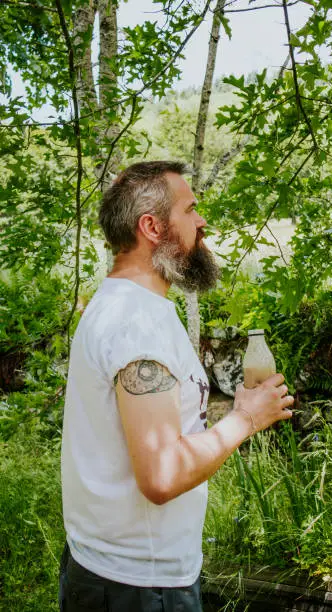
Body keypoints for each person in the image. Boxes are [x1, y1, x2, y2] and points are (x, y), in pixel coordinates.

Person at [59, 160, 294, 612]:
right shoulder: (137, 323)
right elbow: (162, 476)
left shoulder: (120, 305)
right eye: (190, 210)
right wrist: (246, 419)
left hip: (107, 570)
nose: (202, 222)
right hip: (138, 586)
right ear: (151, 226)